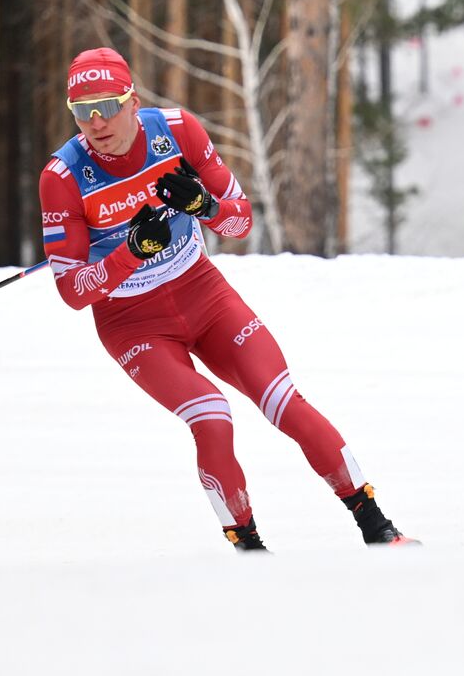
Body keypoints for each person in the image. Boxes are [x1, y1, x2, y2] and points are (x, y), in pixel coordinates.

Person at [39, 47, 414, 550]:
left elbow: (239, 220)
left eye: (107, 105)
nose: (97, 121)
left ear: (133, 101)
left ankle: (376, 524)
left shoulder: (177, 130)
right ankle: (248, 546)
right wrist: (130, 252)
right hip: (133, 322)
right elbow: (71, 291)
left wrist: (203, 205)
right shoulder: (62, 177)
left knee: (282, 398)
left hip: (201, 290)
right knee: (211, 414)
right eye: (82, 111)